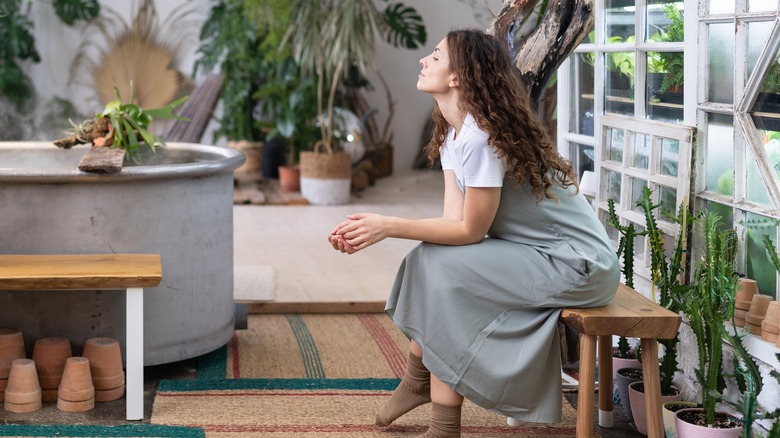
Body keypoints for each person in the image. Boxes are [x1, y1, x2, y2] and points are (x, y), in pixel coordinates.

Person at [328, 28, 620, 438]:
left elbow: (469, 230)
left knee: (448, 274)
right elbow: (453, 222)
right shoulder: (453, 133)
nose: (423, 60)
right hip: (537, 252)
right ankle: (419, 382)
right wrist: (383, 226)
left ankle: (439, 416)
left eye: (435, 56)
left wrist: (388, 225)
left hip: (578, 264)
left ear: (458, 76)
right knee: (429, 257)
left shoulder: (483, 137)